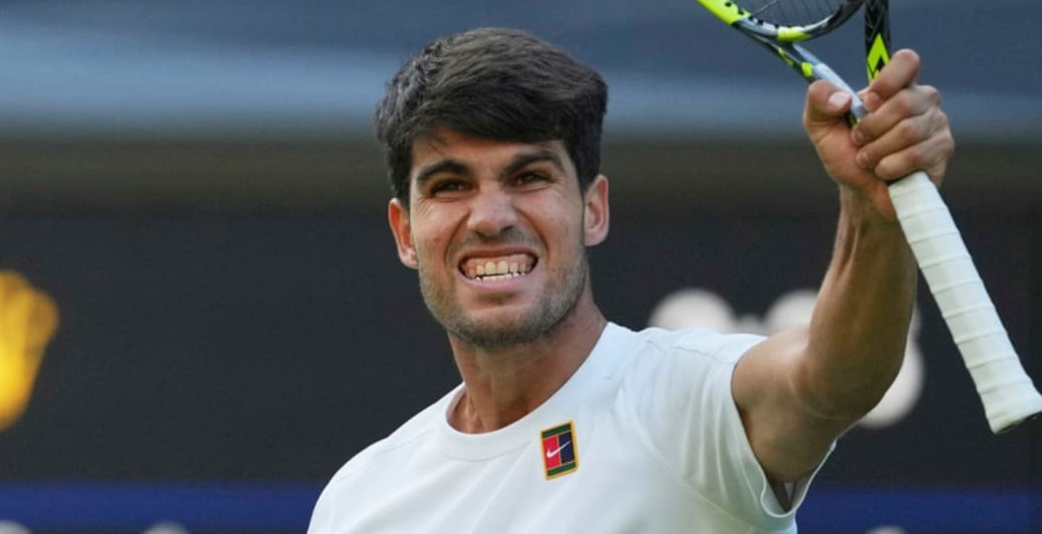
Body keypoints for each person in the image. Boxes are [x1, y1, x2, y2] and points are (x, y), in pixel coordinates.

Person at [308, 27, 953, 532]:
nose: (491, 217)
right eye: (451, 186)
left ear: (593, 209)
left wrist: (872, 210)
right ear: (405, 233)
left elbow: (832, 378)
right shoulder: (359, 503)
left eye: (529, 177)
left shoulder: (687, 398)